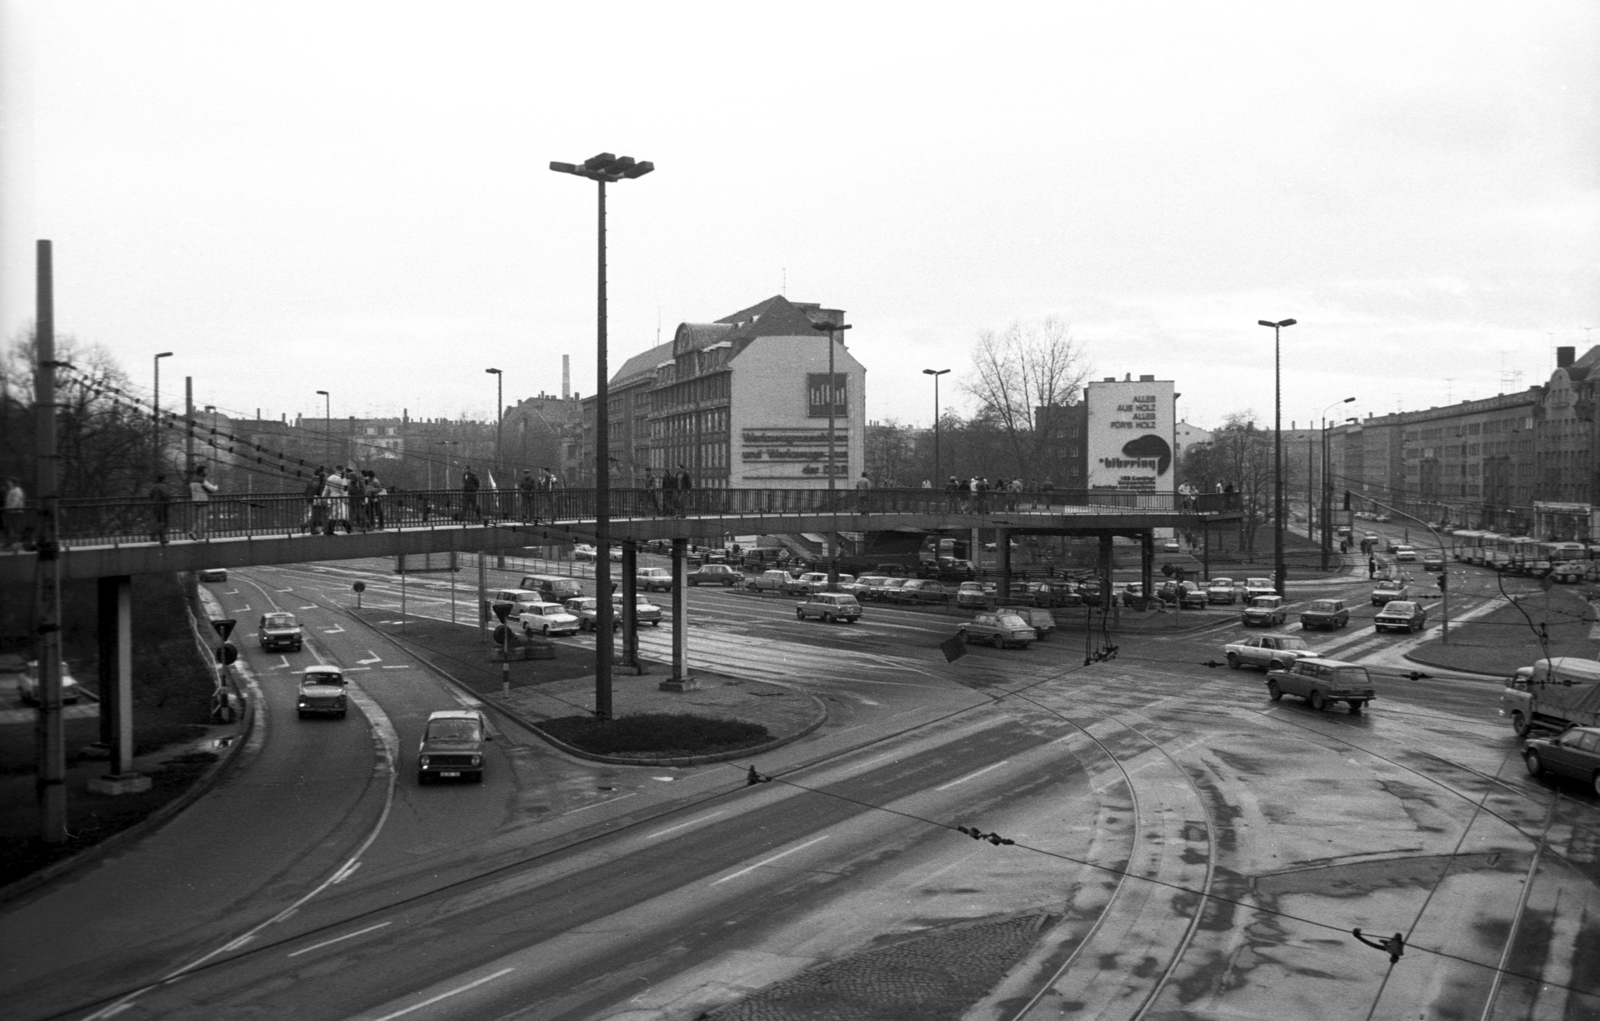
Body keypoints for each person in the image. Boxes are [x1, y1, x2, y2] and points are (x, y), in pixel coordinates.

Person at [188, 464, 219, 539]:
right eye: (205, 471)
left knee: (199, 519)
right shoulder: (202, 481)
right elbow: (212, 489)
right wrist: (216, 486)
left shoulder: (192, 481)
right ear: (202, 472)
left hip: (195, 501)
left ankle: (193, 531)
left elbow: (190, 492)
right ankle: (200, 536)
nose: (206, 472)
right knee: (203, 520)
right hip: (203, 501)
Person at [322, 466, 350, 534]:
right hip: (340, 497)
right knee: (340, 514)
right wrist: (346, 499)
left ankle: (347, 528)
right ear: (342, 470)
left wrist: (323, 497)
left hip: (332, 497)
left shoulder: (330, 478)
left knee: (338, 513)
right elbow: (344, 490)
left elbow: (326, 489)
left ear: (336, 469)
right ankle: (331, 530)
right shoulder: (343, 479)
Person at [4, 476, 25, 549]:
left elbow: (15, 500)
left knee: (15, 527)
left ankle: (16, 543)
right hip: (11, 511)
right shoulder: (12, 490)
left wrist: (10, 508)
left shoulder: (17, 490)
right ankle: (11, 542)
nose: (8, 483)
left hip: (16, 512)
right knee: (11, 527)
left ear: (13, 482)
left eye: (9, 482)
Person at [149, 474, 171, 544]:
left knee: (159, 521)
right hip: (162, 506)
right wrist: (168, 502)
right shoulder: (164, 486)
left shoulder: (154, 486)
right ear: (164, 479)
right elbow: (166, 495)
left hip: (155, 506)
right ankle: (157, 535)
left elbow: (150, 495)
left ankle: (159, 537)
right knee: (164, 522)